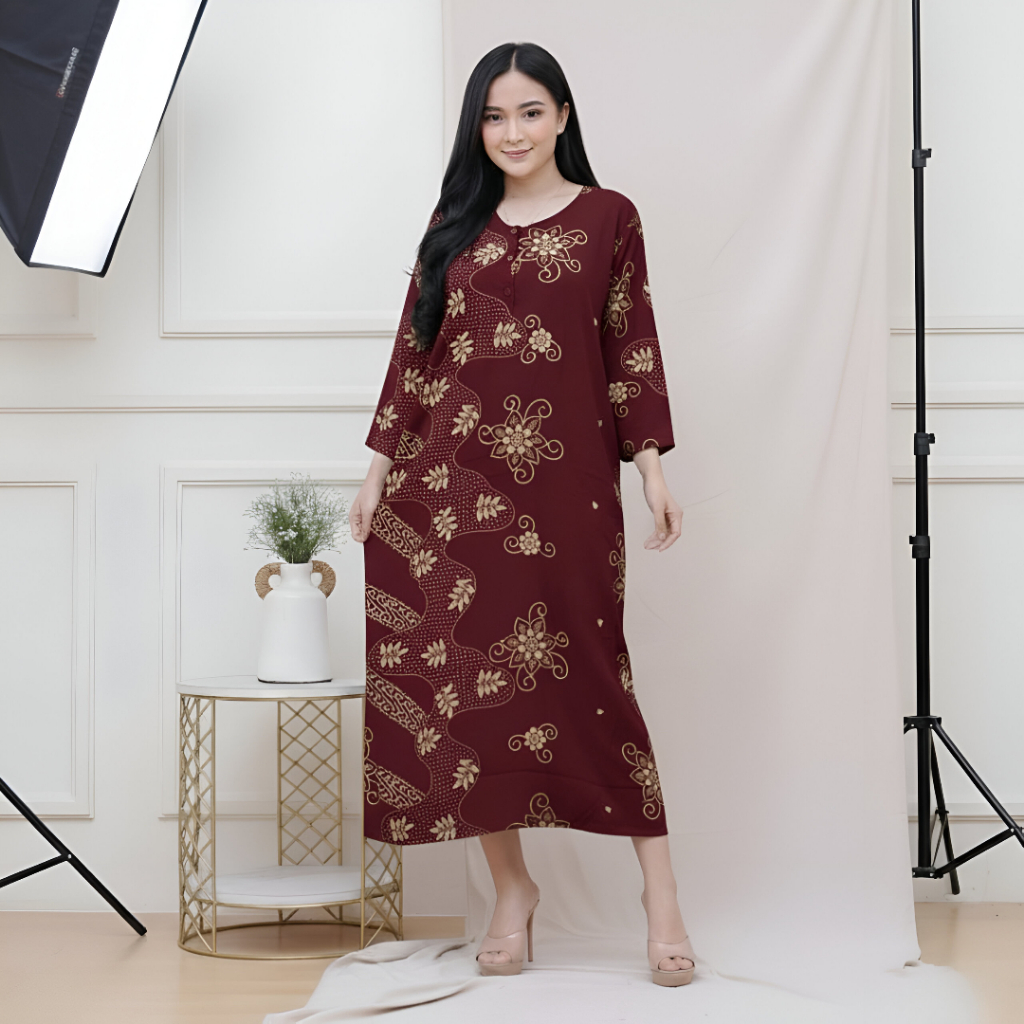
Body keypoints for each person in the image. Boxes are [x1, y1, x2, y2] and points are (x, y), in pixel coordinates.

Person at [349, 41, 694, 987]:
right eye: (494, 117)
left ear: (563, 116)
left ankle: (661, 897)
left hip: (564, 488)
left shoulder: (609, 218)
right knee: (462, 696)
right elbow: (412, 352)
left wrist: (651, 469)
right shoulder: (453, 225)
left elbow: (631, 346)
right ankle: (513, 890)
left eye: (530, 112)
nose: (512, 133)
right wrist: (377, 470)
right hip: (445, 496)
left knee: (595, 678)